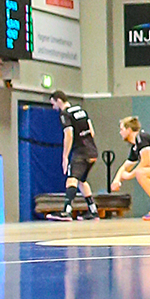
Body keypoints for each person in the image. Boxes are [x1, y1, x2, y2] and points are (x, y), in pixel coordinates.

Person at [52, 91, 101, 220]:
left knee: (71, 179)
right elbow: (91, 131)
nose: (53, 107)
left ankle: (67, 211)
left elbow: (69, 134)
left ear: (59, 100)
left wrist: (65, 156)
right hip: (92, 151)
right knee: (81, 181)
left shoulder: (65, 114)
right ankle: (93, 210)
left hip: (81, 152)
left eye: (53, 103)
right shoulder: (81, 111)